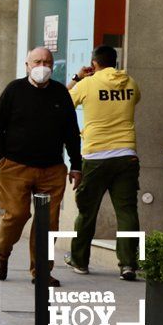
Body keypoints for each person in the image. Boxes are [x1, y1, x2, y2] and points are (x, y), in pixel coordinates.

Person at [0, 47, 82, 287]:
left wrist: (76, 164)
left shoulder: (61, 93)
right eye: (38, 61)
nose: (43, 66)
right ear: (27, 65)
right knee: (16, 215)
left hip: (52, 169)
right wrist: (0, 160)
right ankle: (0, 257)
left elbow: (72, 132)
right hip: (15, 167)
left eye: (48, 62)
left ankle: (41, 271)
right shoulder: (14, 90)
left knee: (48, 223)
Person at [64, 46, 141, 281]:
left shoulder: (88, 84)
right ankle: (128, 264)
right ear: (115, 62)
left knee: (87, 210)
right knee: (127, 211)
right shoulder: (130, 83)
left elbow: (62, 101)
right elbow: (135, 99)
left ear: (94, 63)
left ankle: (79, 260)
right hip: (126, 154)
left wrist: (77, 78)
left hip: (96, 155)